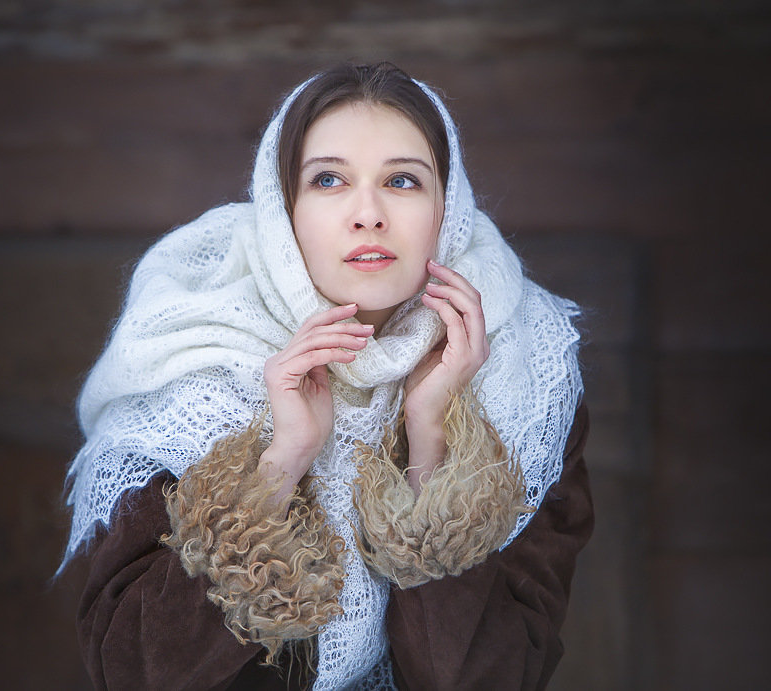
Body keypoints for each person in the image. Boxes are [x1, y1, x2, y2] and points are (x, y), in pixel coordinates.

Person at [60, 62, 592, 690]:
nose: (367, 214)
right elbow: (134, 671)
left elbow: (496, 677)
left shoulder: (524, 370)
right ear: (283, 207)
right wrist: (278, 467)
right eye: (329, 180)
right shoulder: (191, 363)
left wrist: (431, 452)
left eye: (401, 180)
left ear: (448, 208)